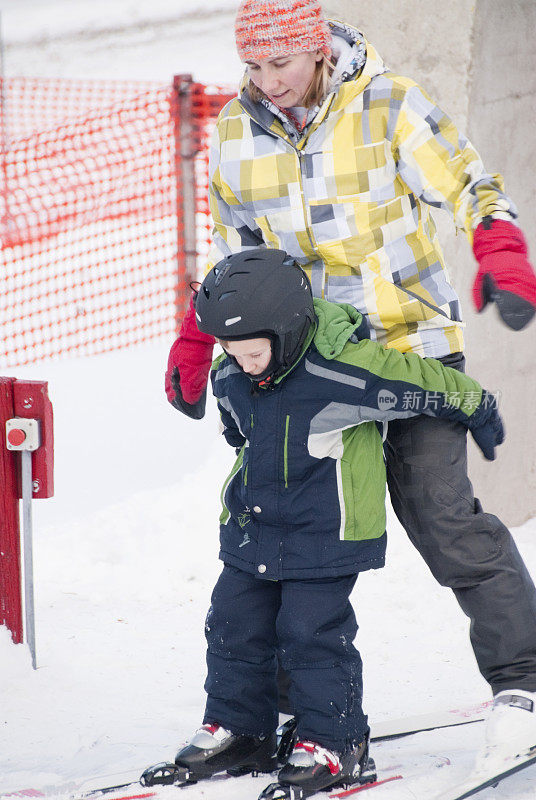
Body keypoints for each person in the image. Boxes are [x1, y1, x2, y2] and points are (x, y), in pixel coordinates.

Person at [165, 0, 536, 772]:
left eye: (284, 64)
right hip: (301, 366)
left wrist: (498, 245)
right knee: (285, 535)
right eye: (256, 66)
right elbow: (234, 245)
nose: (269, 82)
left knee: (444, 519)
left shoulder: (387, 104)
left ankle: (524, 680)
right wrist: (203, 335)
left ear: (318, 52)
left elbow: (470, 183)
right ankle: (268, 714)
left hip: (408, 349)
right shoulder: (238, 129)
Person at [161, 249, 505, 798]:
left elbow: (419, 379)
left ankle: (336, 741)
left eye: (253, 352)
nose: (243, 363)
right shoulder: (233, 372)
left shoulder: (339, 371)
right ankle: (240, 728)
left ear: (289, 330)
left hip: (326, 531)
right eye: (232, 351)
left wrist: (477, 406)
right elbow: (234, 420)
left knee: (311, 635)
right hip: (253, 528)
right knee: (233, 624)